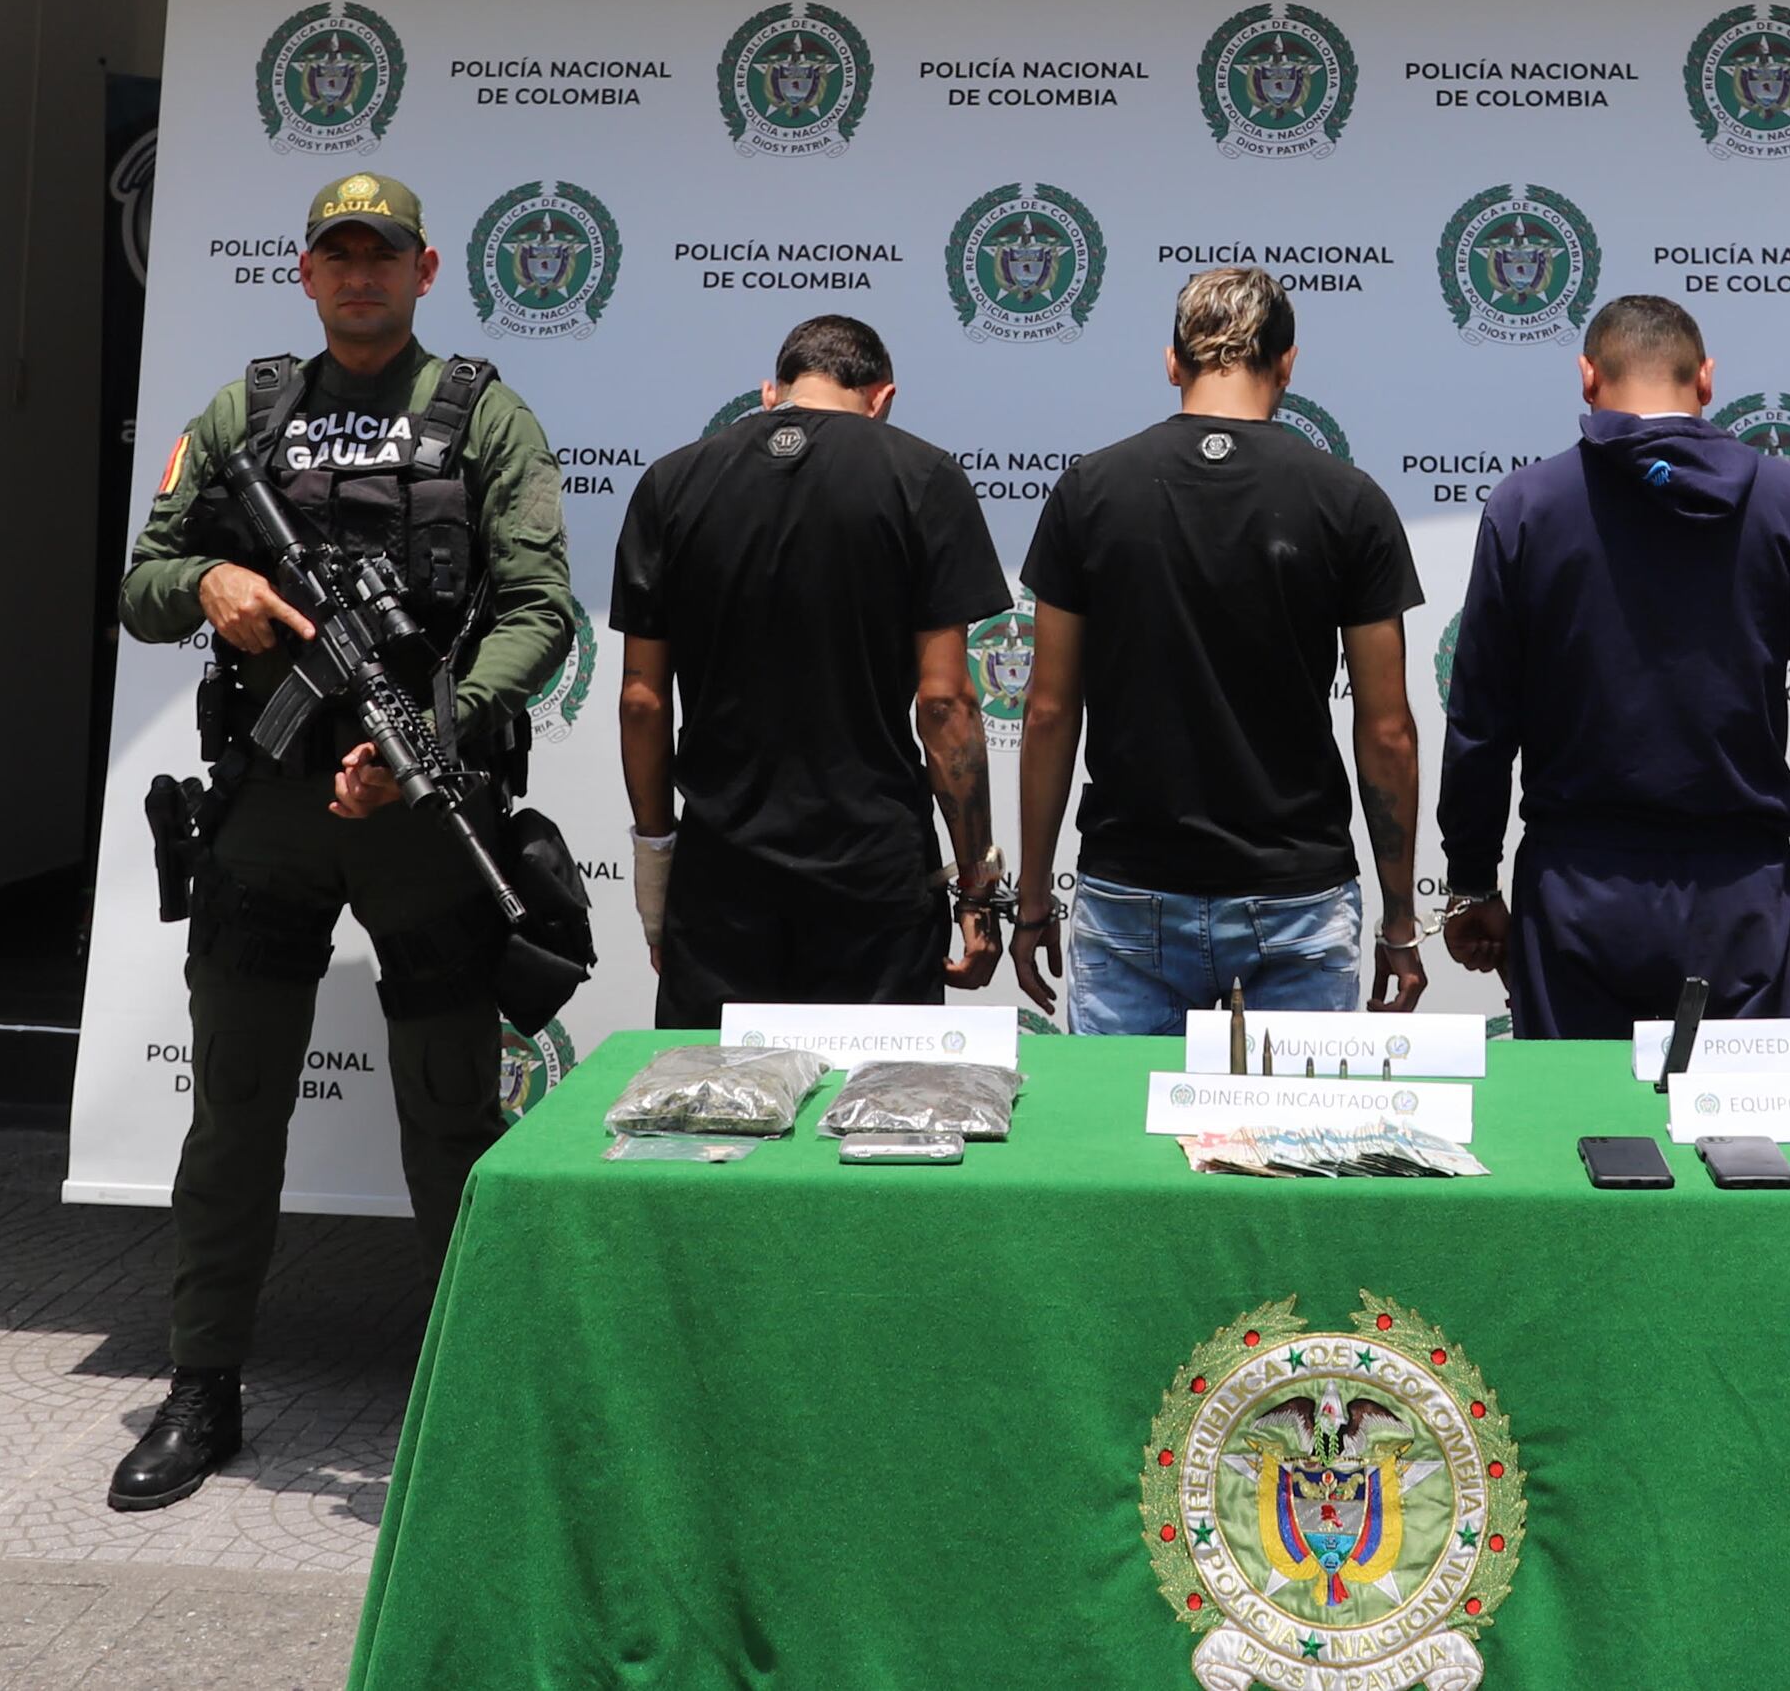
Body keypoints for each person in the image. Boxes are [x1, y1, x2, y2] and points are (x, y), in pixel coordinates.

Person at [104, 167, 574, 1516]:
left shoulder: (481, 414)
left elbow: (540, 606)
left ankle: (472, 1391)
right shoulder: (241, 415)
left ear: (426, 273)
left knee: (450, 1115)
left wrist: (433, 732)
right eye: (337, 255)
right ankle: (203, 1386)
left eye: (385, 255)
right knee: (236, 1108)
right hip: (263, 813)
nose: (360, 273)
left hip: (418, 816)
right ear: (304, 274)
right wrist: (210, 579)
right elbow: (142, 585)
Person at [1435, 293, 1790, 1036]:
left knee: (1581, 1143)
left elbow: (1481, 722)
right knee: (1744, 1150)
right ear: (1707, 379)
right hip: (1741, 898)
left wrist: (1469, 879)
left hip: (1578, 897)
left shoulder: (1526, 505)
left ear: (1588, 377)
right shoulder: (1789, 501)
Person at [1008, 266, 1427, 1031]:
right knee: (1296, 1150)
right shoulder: (1348, 499)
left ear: (1173, 362)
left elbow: (1046, 711)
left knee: (1119, 1151)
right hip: (1297, 893)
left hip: (1131, 890)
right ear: (1289, 363)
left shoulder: (1090, 491)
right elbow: (1388, 730)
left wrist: (1033, 899)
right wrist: (1399, 918)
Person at [614, 314, 1013, 1020]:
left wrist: (656, 878)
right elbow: (947, 702)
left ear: (772, 392)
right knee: (872, 1122)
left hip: (721, 879)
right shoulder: (923, 475)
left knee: (717, 1121)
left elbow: (643, 701)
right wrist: (976, 886)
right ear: (882, 398)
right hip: (874, 876)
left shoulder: (670, 483)